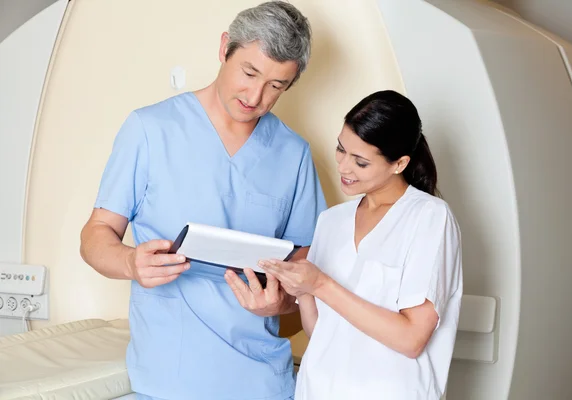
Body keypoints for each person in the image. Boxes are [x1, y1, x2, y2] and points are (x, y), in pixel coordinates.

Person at [79, 2, 327, 399]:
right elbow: (96, 234)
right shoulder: (149, 130)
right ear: (225, 47)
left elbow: (309, 280)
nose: (256, 96)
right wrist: (129, 261)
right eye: (249, 73)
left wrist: (278, 306)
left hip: (263, 380)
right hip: (170, 377)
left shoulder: (293, 154)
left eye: (276, 86)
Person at [260, 90, 463, 400]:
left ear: (399, 163)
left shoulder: (429, 217)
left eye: (361, 162)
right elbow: (321, 333)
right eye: (341, 150)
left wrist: (322, 284)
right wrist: (303, 289)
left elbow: (411, 338)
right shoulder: (331, 221)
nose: (343, 167)